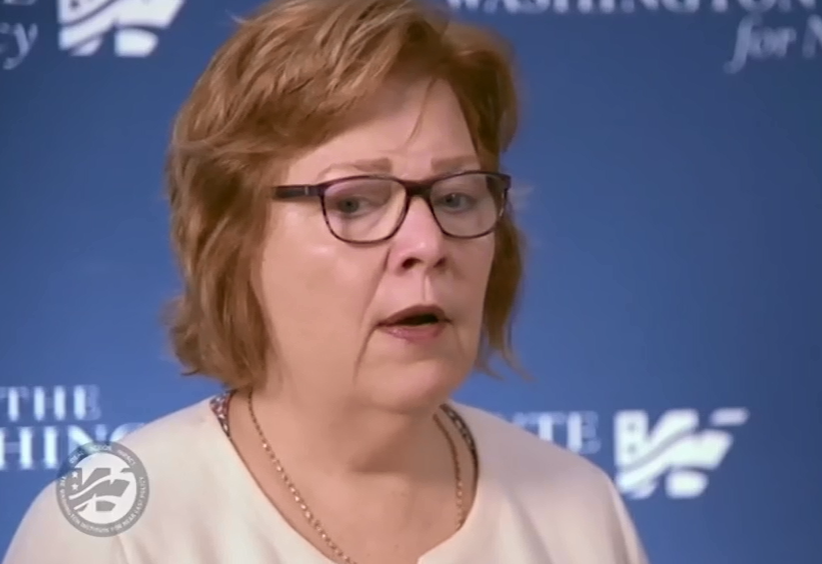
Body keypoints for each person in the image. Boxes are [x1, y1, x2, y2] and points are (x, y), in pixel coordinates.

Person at [2, 0, 649, 562]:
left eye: (455, 198)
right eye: (355, 202)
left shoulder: (577, 513)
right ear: (236, 240)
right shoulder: (115, 535)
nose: (427, 245)